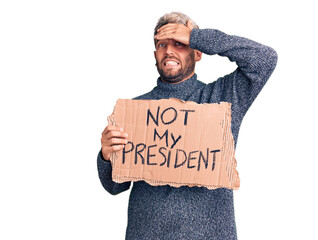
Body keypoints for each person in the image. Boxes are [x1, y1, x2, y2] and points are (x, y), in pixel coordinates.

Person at [98, 12, 277, 240]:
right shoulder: (135, 110)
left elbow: (264, 59)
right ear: (155, 54)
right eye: (162, 44)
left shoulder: (223, 98)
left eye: (180, 43)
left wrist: (199, 37)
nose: (169, 51)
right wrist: (105, 157)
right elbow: (115, 187)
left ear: (198, 52)